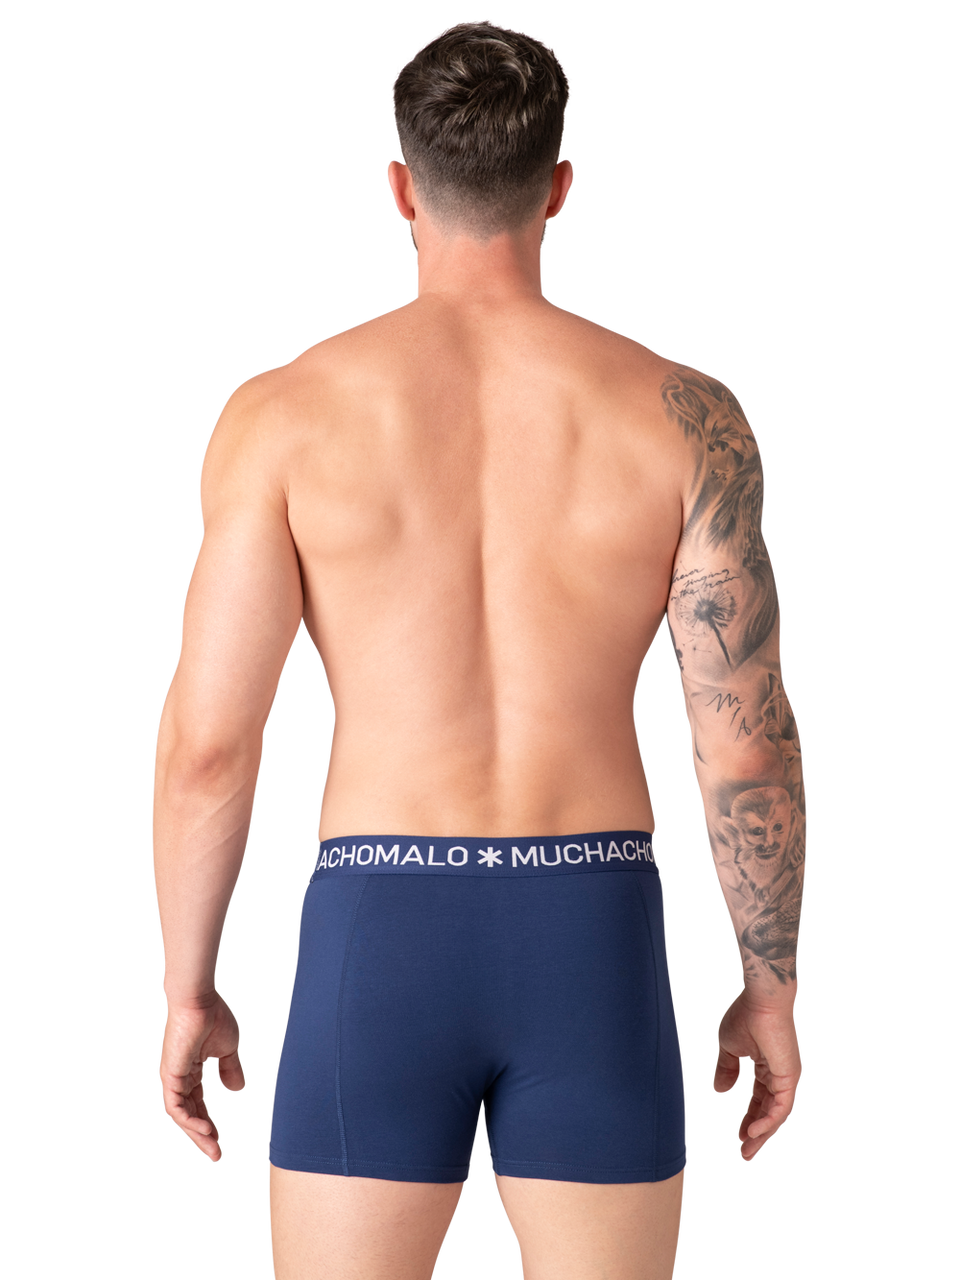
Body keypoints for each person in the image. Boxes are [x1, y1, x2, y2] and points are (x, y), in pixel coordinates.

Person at [151, 16, 806, 1279]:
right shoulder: (686, 414)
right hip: (594, 926)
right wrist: (769, 982)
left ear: (401, 187)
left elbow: (211, 743)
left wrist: (189, 985)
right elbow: (746, 741)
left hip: (377, 925)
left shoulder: (281, 415)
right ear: (560, 185)